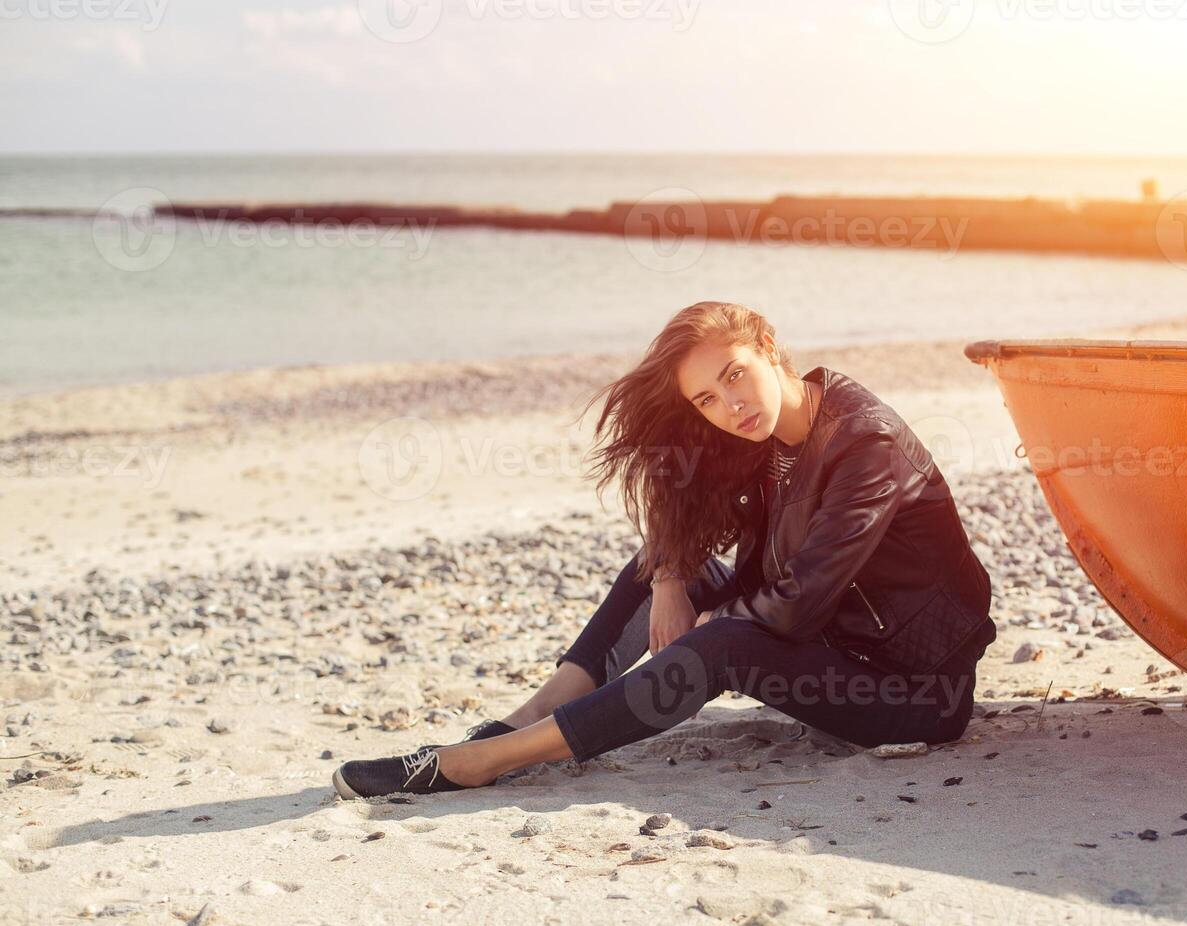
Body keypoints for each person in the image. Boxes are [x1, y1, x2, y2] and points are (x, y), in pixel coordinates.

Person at [332, 301, 997, 798]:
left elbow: (797, 607)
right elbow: (677, 504)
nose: (730, 406)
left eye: (735, 376)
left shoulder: (866, 444)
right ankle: (522, 720)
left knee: (720, 644)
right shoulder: (767, 432)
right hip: (836, 650)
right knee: (658, 569)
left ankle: (485, 762)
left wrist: (704, 629)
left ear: (770, 347)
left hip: (912, 694)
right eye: (707, 398)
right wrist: (672, 578)